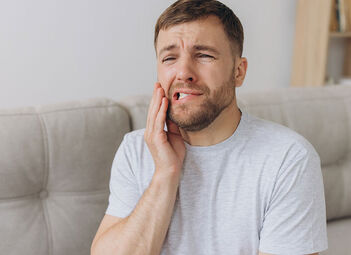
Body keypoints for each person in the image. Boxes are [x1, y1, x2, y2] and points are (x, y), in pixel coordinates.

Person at [91, 0, 328, 254]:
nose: (183, 72)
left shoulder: (287, 158)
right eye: (170, 57)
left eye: (203, 55)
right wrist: (165, 173)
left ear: (238, 72)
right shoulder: (136, 149)